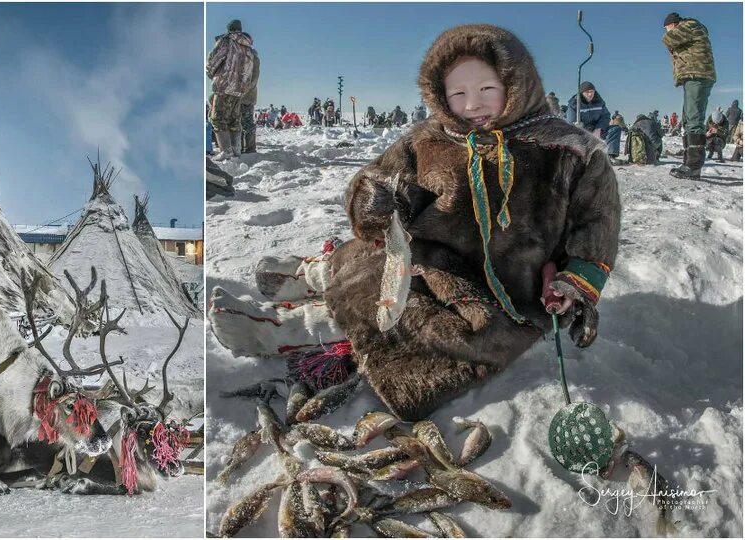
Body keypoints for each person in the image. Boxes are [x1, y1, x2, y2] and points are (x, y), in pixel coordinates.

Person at [211, 24, 620, 421]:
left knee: (426, 333)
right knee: (368, 267)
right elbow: (377, 178)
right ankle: (312, 273)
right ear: (440, 96)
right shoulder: (428, 140)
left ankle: (278, 329)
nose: (472, 104)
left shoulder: (570, 151)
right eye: (458, 93)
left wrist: (575, 282)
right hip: (429, 258)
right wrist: (373, 202)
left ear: (517, 85)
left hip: (506, 295)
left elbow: (596, 225)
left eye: (487, 90)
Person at [662, 12, 717, 178]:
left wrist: (670, 34)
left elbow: (668, 40)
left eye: (667, 28)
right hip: (694, 77)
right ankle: (689, 163)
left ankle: (693, 167)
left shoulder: (689, 25)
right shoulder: (690, 28)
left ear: (674, 24)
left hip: (697, 76)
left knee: (693, 120)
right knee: (688, 119)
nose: (667, 31)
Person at [207, 19, 258, 160]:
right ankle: (236, 151)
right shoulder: (248, 47)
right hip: (240, 90)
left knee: (217, 118)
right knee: (234, 120)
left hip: (224, 86)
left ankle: (226, 152)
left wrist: (214, 75)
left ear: (229, 29)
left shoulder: (226, 41)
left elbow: (212, 62)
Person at [240, 44, 261, 154]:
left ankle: (249, 148)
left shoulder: (251, 57)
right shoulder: (251, 56)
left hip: (246, 96)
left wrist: (242, 92)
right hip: (245, 96)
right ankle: (244, 147)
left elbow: (253, 79)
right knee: (240, 122)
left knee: (247, 123)